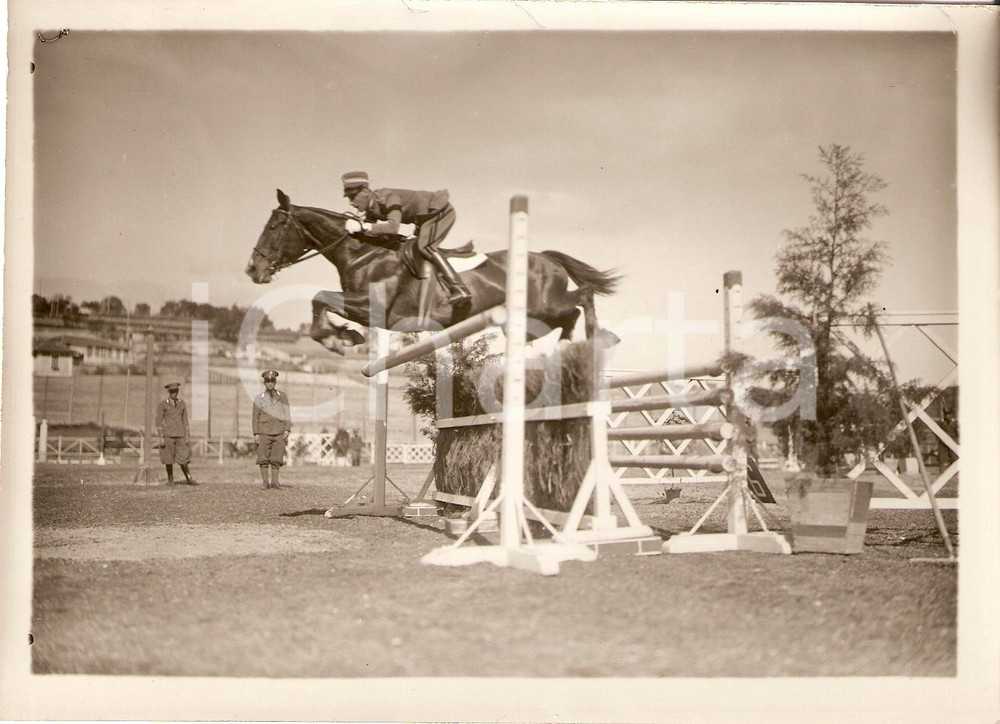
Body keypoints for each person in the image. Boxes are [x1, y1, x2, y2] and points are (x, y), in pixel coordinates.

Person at [340, 170, 472, 305]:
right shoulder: (372, 209)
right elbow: (372, 233)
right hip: (423, 219)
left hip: (439, 212)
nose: (351, 203)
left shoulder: (388, 198)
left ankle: (459, 288)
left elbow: (392, 228)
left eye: (352, 197)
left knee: (425, 247)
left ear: (365, 191)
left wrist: (363, 227)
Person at [252, 369, 292, 490]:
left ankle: (275, 481)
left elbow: (287, 413)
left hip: (279, 431)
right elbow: (255, 417)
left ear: (275, 382)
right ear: (264, 383)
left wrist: (287, 429)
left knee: (277, 457)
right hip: (264, 431)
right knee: (263, 458)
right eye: (267, 381)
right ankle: (265, 482)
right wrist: (256, 433)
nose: (270, 383)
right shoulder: (259, 398)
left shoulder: (282, 396)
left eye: (272, 381)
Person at [155, 382, 197, 485]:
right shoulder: (163, 405)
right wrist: (161, 436)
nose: (174, 393)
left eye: (176, 391)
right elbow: (158, 421)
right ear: (169, 392)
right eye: (172, 391)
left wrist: (187, 434)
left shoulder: (182, 403)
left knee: (184, 457)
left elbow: (185, 420)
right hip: (168, 435)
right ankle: (170, 480)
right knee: (168, 458)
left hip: (180, 435)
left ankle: (189, 478)